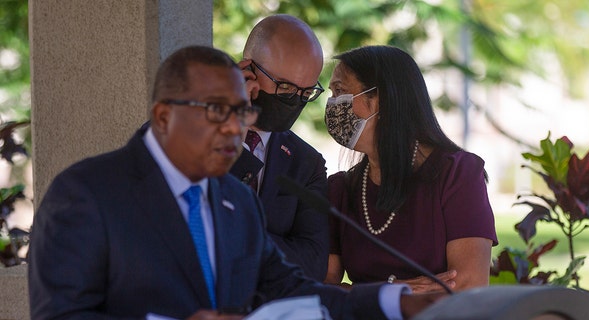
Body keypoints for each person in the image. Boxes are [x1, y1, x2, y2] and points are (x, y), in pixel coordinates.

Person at [28, 45, 443, 320]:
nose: (233, 128)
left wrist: (397, 302)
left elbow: (292, 288)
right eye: (216, 111)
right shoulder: (86, 194)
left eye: (242, 112)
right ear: (163, 117)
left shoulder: (234, 202)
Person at [323, 45, 498, 294]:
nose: (332, 105)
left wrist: (359, 293)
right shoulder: (341, 189)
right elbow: (323, 289)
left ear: (384, 99)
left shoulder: (457, 174)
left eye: (340, 91)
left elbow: (468, 287)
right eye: (331, 94)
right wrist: (393, 293)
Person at [229, 14, 329, 281]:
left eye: (306, 93)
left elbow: (313, 264)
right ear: (248, 71)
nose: (295, 101)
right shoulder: (195, 132)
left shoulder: (307, 164)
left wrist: (232, 238)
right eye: (285, 88)